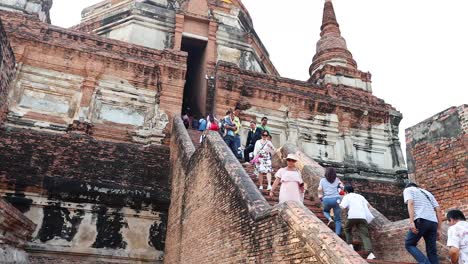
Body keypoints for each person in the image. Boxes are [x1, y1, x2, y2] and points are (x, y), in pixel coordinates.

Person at [403, 182, 443, 264]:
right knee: (432, 251)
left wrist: (411, 222)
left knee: (409, 244)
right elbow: (438, 210)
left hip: (421, 220)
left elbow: (410, 203)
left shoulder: (408, 189)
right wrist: (439, 228)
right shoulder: (428, 193)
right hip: (433, 223)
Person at [340, 184, 376, 260]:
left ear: (346, 191)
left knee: (347, 228)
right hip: (362, 217)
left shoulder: (347, 196)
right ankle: (370, 253)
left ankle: (350, 244)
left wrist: (338, 203)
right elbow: (368, 206)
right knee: (365, 235)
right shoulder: (360, 196)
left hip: (352, 216)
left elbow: (343, 207)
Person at [318, 167, 344, 235]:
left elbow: (320, 189)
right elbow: (342, 187)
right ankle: (337, 234)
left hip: (327, 199)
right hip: (337, 199)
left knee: (325, 211)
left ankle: (330, 219)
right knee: (338, 219)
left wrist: (321, 198)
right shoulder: (337, 179)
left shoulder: (322, 180)